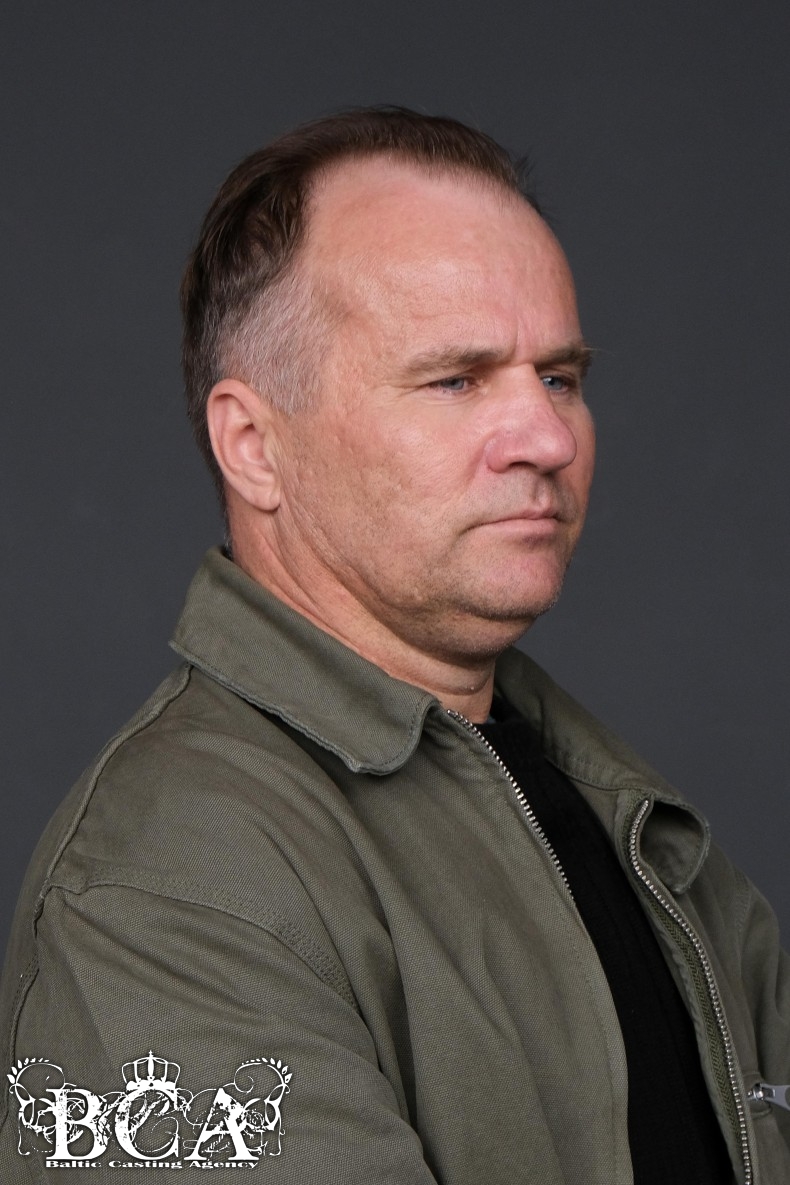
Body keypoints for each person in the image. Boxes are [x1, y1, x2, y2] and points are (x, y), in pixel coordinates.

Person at [1, 107, 788, 1184]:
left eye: (559, 377)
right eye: (456, 379)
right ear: (254, 445)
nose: (547, 437)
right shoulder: (164, 890)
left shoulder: (628, 822)